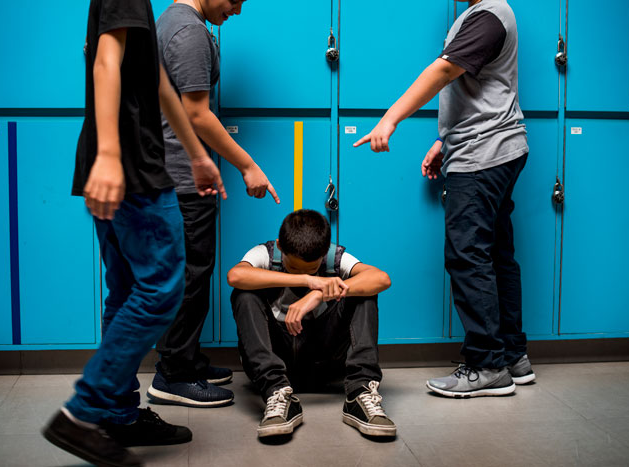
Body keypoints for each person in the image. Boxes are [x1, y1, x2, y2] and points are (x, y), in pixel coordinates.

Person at [42, 0, 226, 465]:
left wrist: (197, 154)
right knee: (162, 289)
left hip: (130, 163)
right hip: (133, 168)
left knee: (125, 291)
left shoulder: (143, 8)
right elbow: (106, 60)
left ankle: (118, 414)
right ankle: (83, 412)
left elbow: (156, 80)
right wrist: (109, 154)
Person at [354, 0, 534, 398]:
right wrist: (442, 140)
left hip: (482, 153)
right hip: (492, 147)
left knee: (467, 254)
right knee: (496, 254)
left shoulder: (489, 15)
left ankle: (487, 365)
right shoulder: (478, 17)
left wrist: (391, 118)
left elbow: (444, 70)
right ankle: (511, 356)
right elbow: (476, 89)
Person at [147, 0, 280, 408]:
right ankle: (173, 375)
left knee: (192, 272)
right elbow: (198, 114)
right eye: (236, 0)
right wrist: (248, 165)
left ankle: (185, 360)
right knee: (191, 275)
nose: (237, 10)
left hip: (177, 172)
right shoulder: (188, 32)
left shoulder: (175, 22)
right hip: (183, 178)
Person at [227, 209, 396, 438]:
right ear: (280, 246)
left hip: (325, 362)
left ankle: (360, 392)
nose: (303, 273)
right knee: (243, 294)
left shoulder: (335, 257)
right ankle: (277, 394)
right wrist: (307, 279)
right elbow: (235, 276)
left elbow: (381, 278)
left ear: (324, 252)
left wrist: (318, 295)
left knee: (363, 290)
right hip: (276, 364)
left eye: (312, 268)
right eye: (294, 267)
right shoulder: (264, 254)